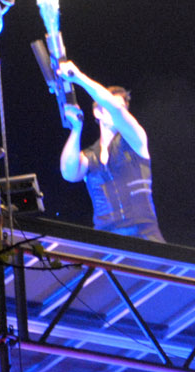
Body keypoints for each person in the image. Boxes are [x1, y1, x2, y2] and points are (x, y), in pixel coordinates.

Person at [57, 59, 163, 243]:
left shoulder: (135, 139)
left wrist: (78, 77)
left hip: (144, 236)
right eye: (109, 106)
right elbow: (68, 172)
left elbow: (115, 108)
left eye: (122, 108)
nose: (118, 111)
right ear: (97, 112)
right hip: (106, 240)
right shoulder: (90, 155)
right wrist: (76, 129)